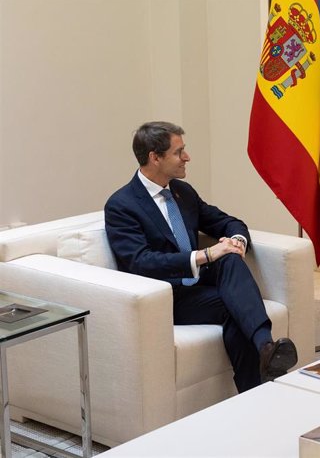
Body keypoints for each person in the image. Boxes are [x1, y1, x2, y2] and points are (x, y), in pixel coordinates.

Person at [105, 121, 298, 392]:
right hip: (167, 297)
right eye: (179, 151)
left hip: (199, 287)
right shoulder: (122, 205)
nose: (187, 157)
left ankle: (265, 351)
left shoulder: (182, 192)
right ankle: (258, 378)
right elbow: (141, 262)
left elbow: (228, 222)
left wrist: (237, 241)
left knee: (230, 258)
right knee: (235, 307)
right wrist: (205, 255)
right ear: (155, 157)